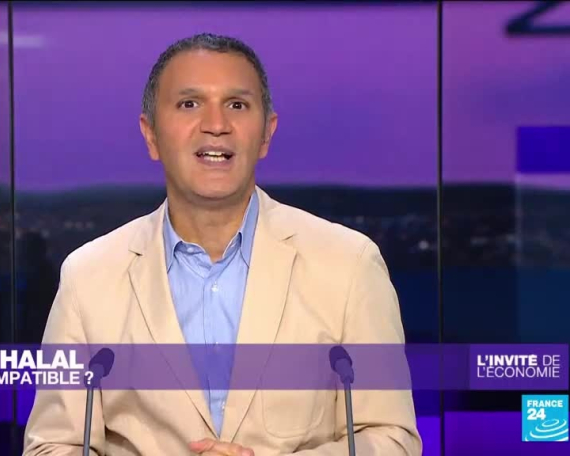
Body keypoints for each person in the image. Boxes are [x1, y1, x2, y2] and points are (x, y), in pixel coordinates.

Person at [23, 33, 422, 455]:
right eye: (189, 104)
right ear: (151, 134)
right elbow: (52, 446)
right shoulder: (88, 276)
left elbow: (392, 439)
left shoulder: (349, 264)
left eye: (237, 105)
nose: (216, 124)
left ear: (266, 134)